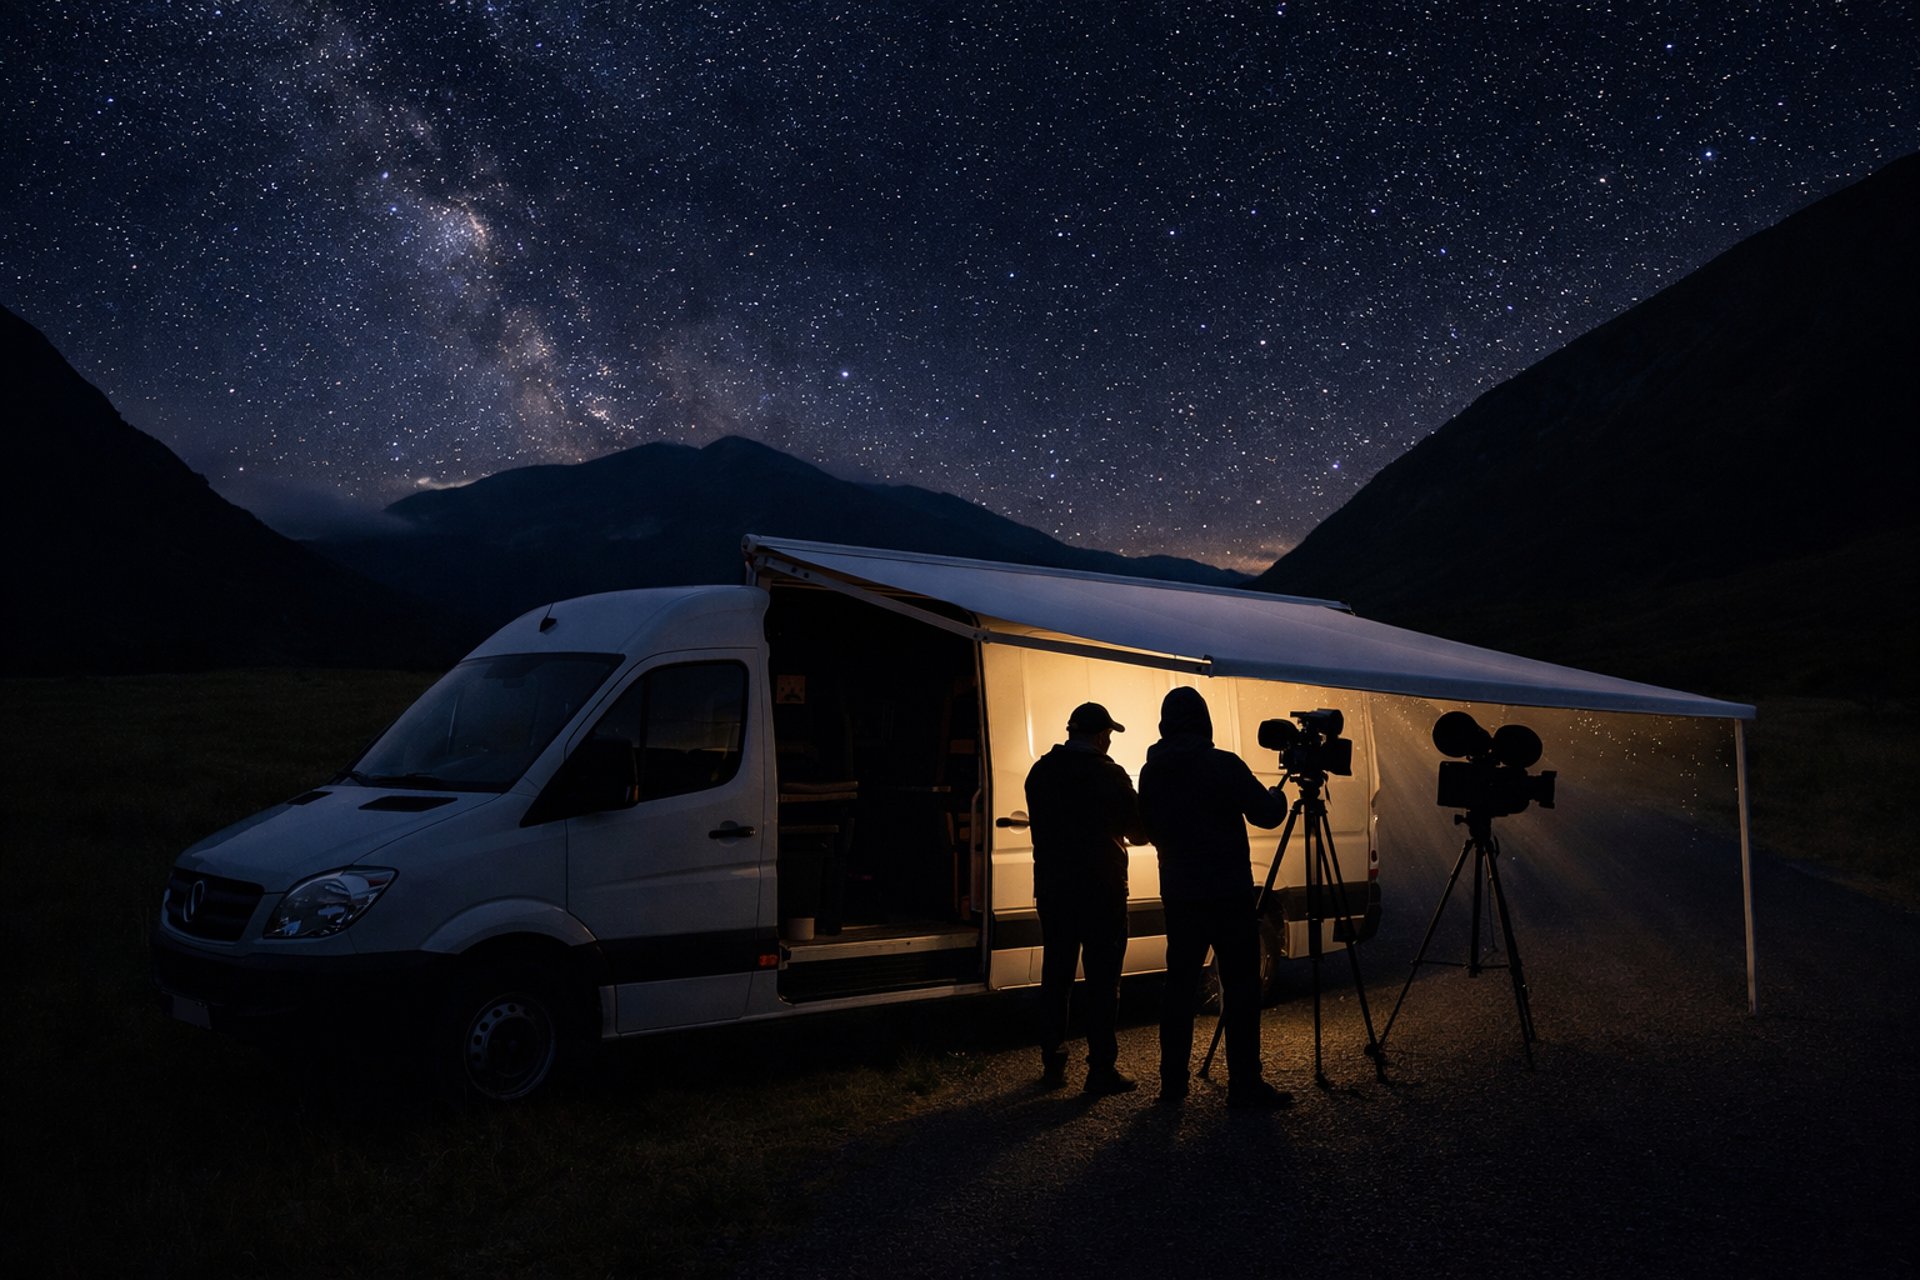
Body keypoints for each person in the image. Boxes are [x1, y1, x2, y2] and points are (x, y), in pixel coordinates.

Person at [1139, 686, 1292, 1109]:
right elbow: (1267, 813)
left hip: (1181, 894)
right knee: (1241, 988)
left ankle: (1173, 1085)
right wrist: (1279, 794)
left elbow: (1149, 829)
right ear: (1204, 721)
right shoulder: (1223, 765)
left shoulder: (1151, 772)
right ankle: (1244, 1085)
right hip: (1228, 894)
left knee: (1179, 988)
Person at [1025, 701, 1147, 1096]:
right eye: (1109, 735)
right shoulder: (1110, 776)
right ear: (1099, 736)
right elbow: (1138, 831)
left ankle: (1053, 1062)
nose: (1109, 741)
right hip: (1102, 890)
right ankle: (1100, 1069)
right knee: (1102, 980)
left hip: (1054, 889)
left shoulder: (1040, 773)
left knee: (1056, 974)